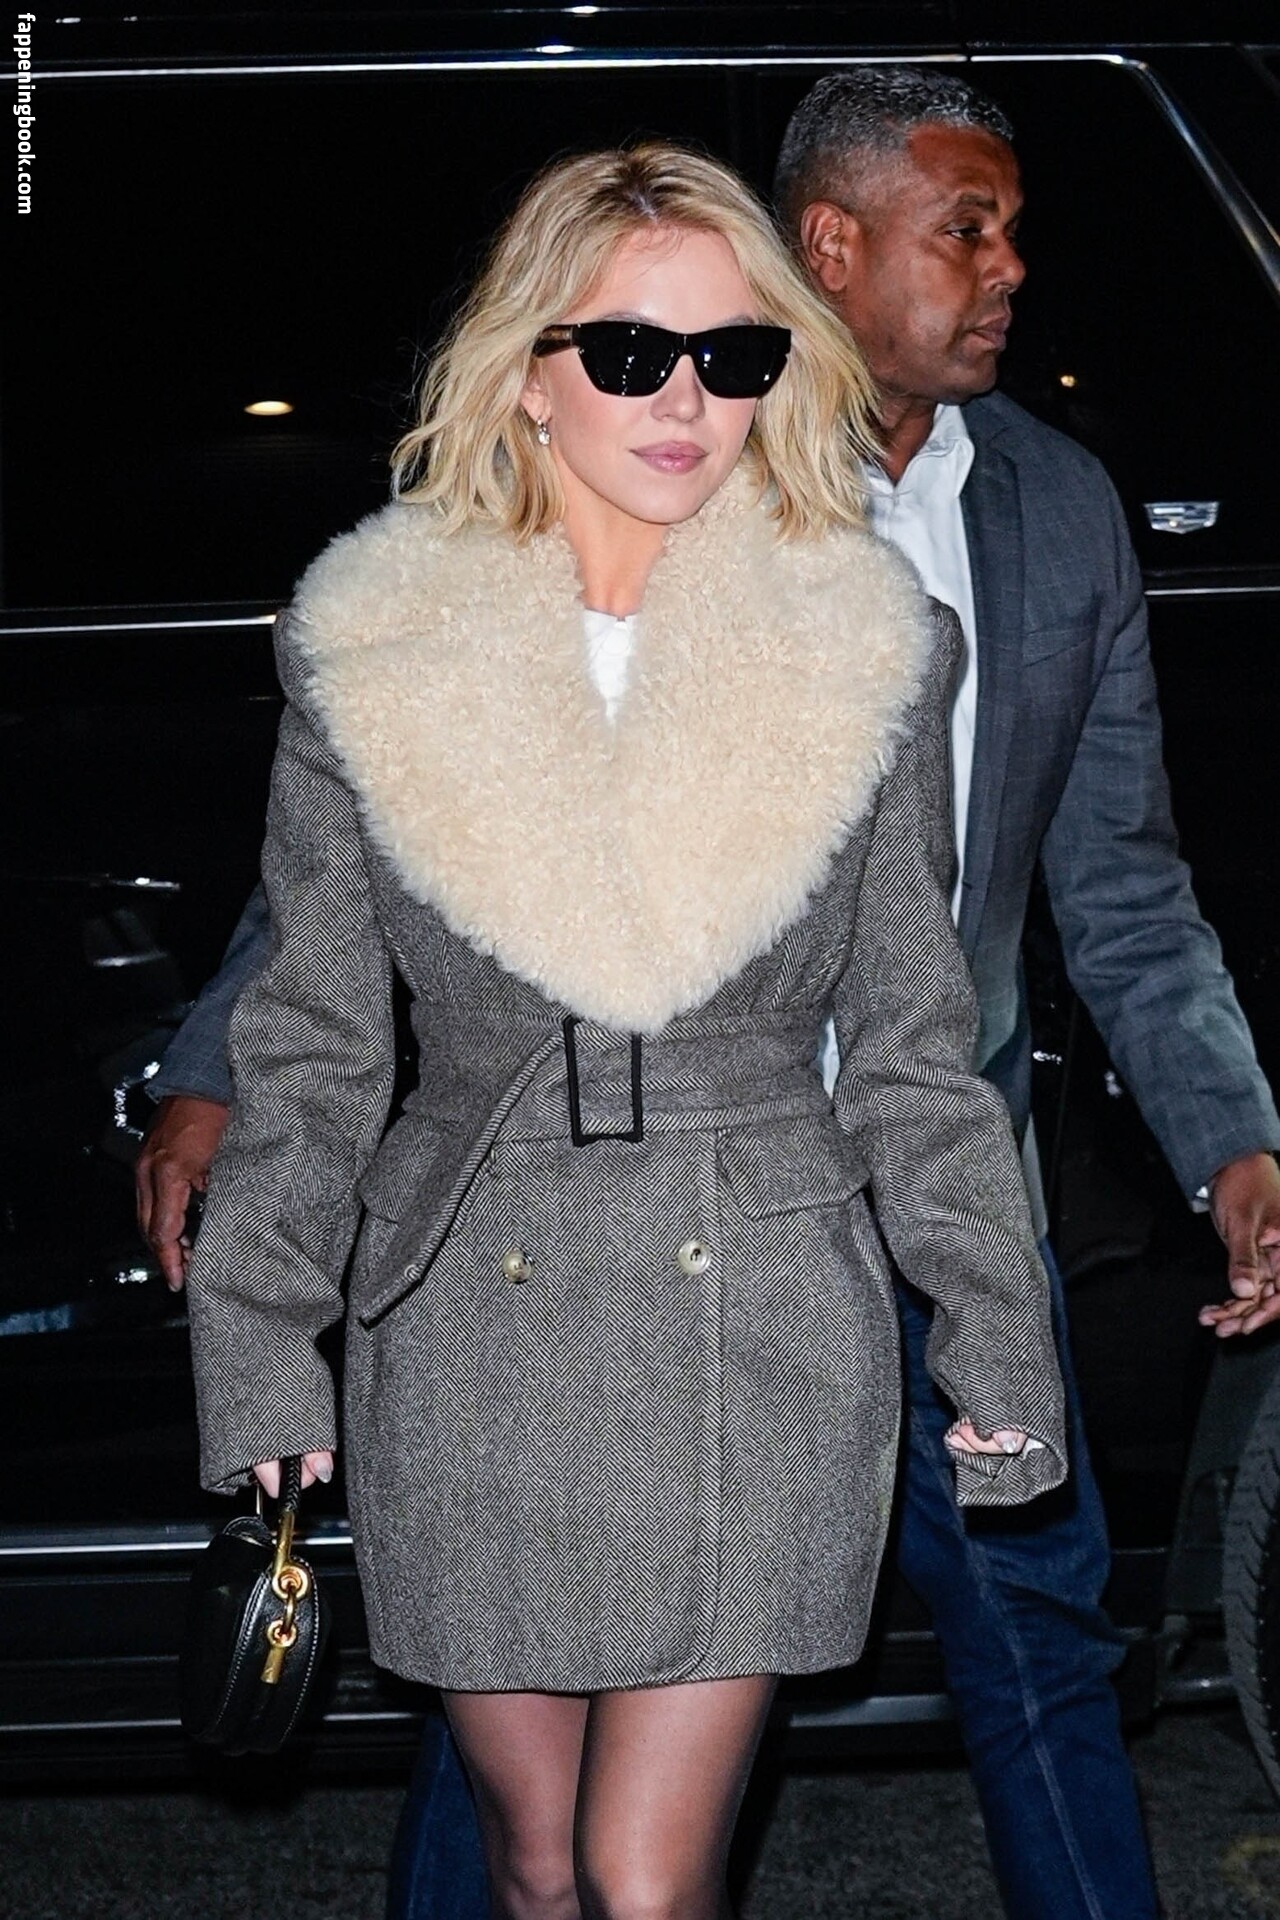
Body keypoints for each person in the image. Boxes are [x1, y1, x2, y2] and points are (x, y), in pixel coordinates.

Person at [138, 74, 1280, 1919]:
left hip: (761, 1301)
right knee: (532, 1866)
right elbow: (317, 1037)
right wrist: (261, 1340)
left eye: (734, 358)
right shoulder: (375, 650)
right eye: (630, 354)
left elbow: (915, 1051)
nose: (686, 401)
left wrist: (996, 1334)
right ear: (528, 373)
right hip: (476, 1313)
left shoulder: (864, 653)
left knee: (646, 1877)